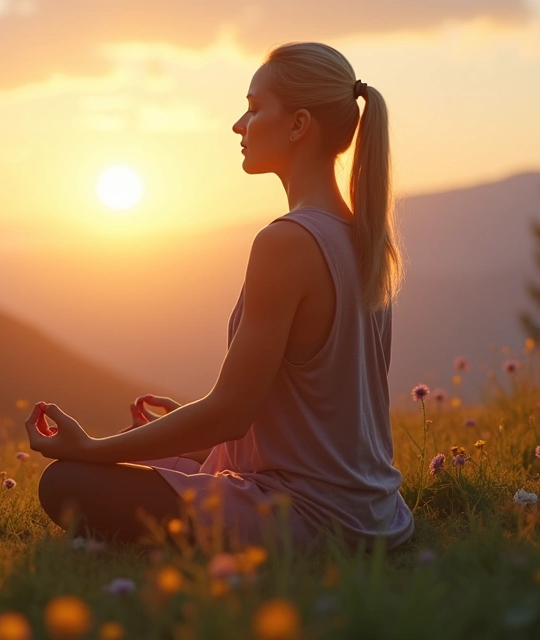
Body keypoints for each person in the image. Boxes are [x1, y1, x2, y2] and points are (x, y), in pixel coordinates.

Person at [23, 41, 413, 552]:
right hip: (376, 512)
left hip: (310, 517)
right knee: (146, 457)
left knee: (68, 481)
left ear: (299, 125)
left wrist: (93, 449)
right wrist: (209, 441)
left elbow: (230, 412)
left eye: (253, 109)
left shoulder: (287, 242)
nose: (238, 125)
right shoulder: (363, 237)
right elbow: (323, 415)